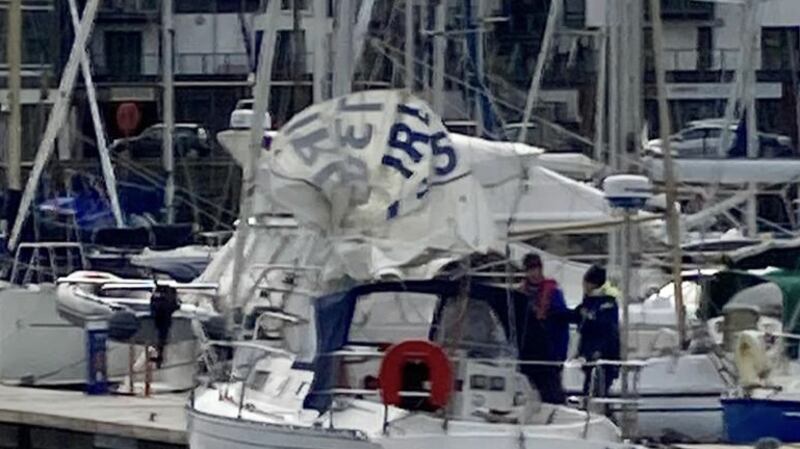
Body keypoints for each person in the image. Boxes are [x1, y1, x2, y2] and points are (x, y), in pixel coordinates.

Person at [518, 253, 569, 404]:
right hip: (527, 353)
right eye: (529, 269)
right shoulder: (520, 294)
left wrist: (560, 355)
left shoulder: (554, 294)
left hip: (550, 352)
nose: (533, 273)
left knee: (551, 392)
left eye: (536, 269)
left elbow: (562, 325)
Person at [573, 264, 621, 401]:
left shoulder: (607, 304)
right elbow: (577, 317)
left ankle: (602, 414)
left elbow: (606, 329)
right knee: (590, 389)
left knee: (599, 389)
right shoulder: (588, 302)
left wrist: (598, 350)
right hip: (589, 354)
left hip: (603, 355)